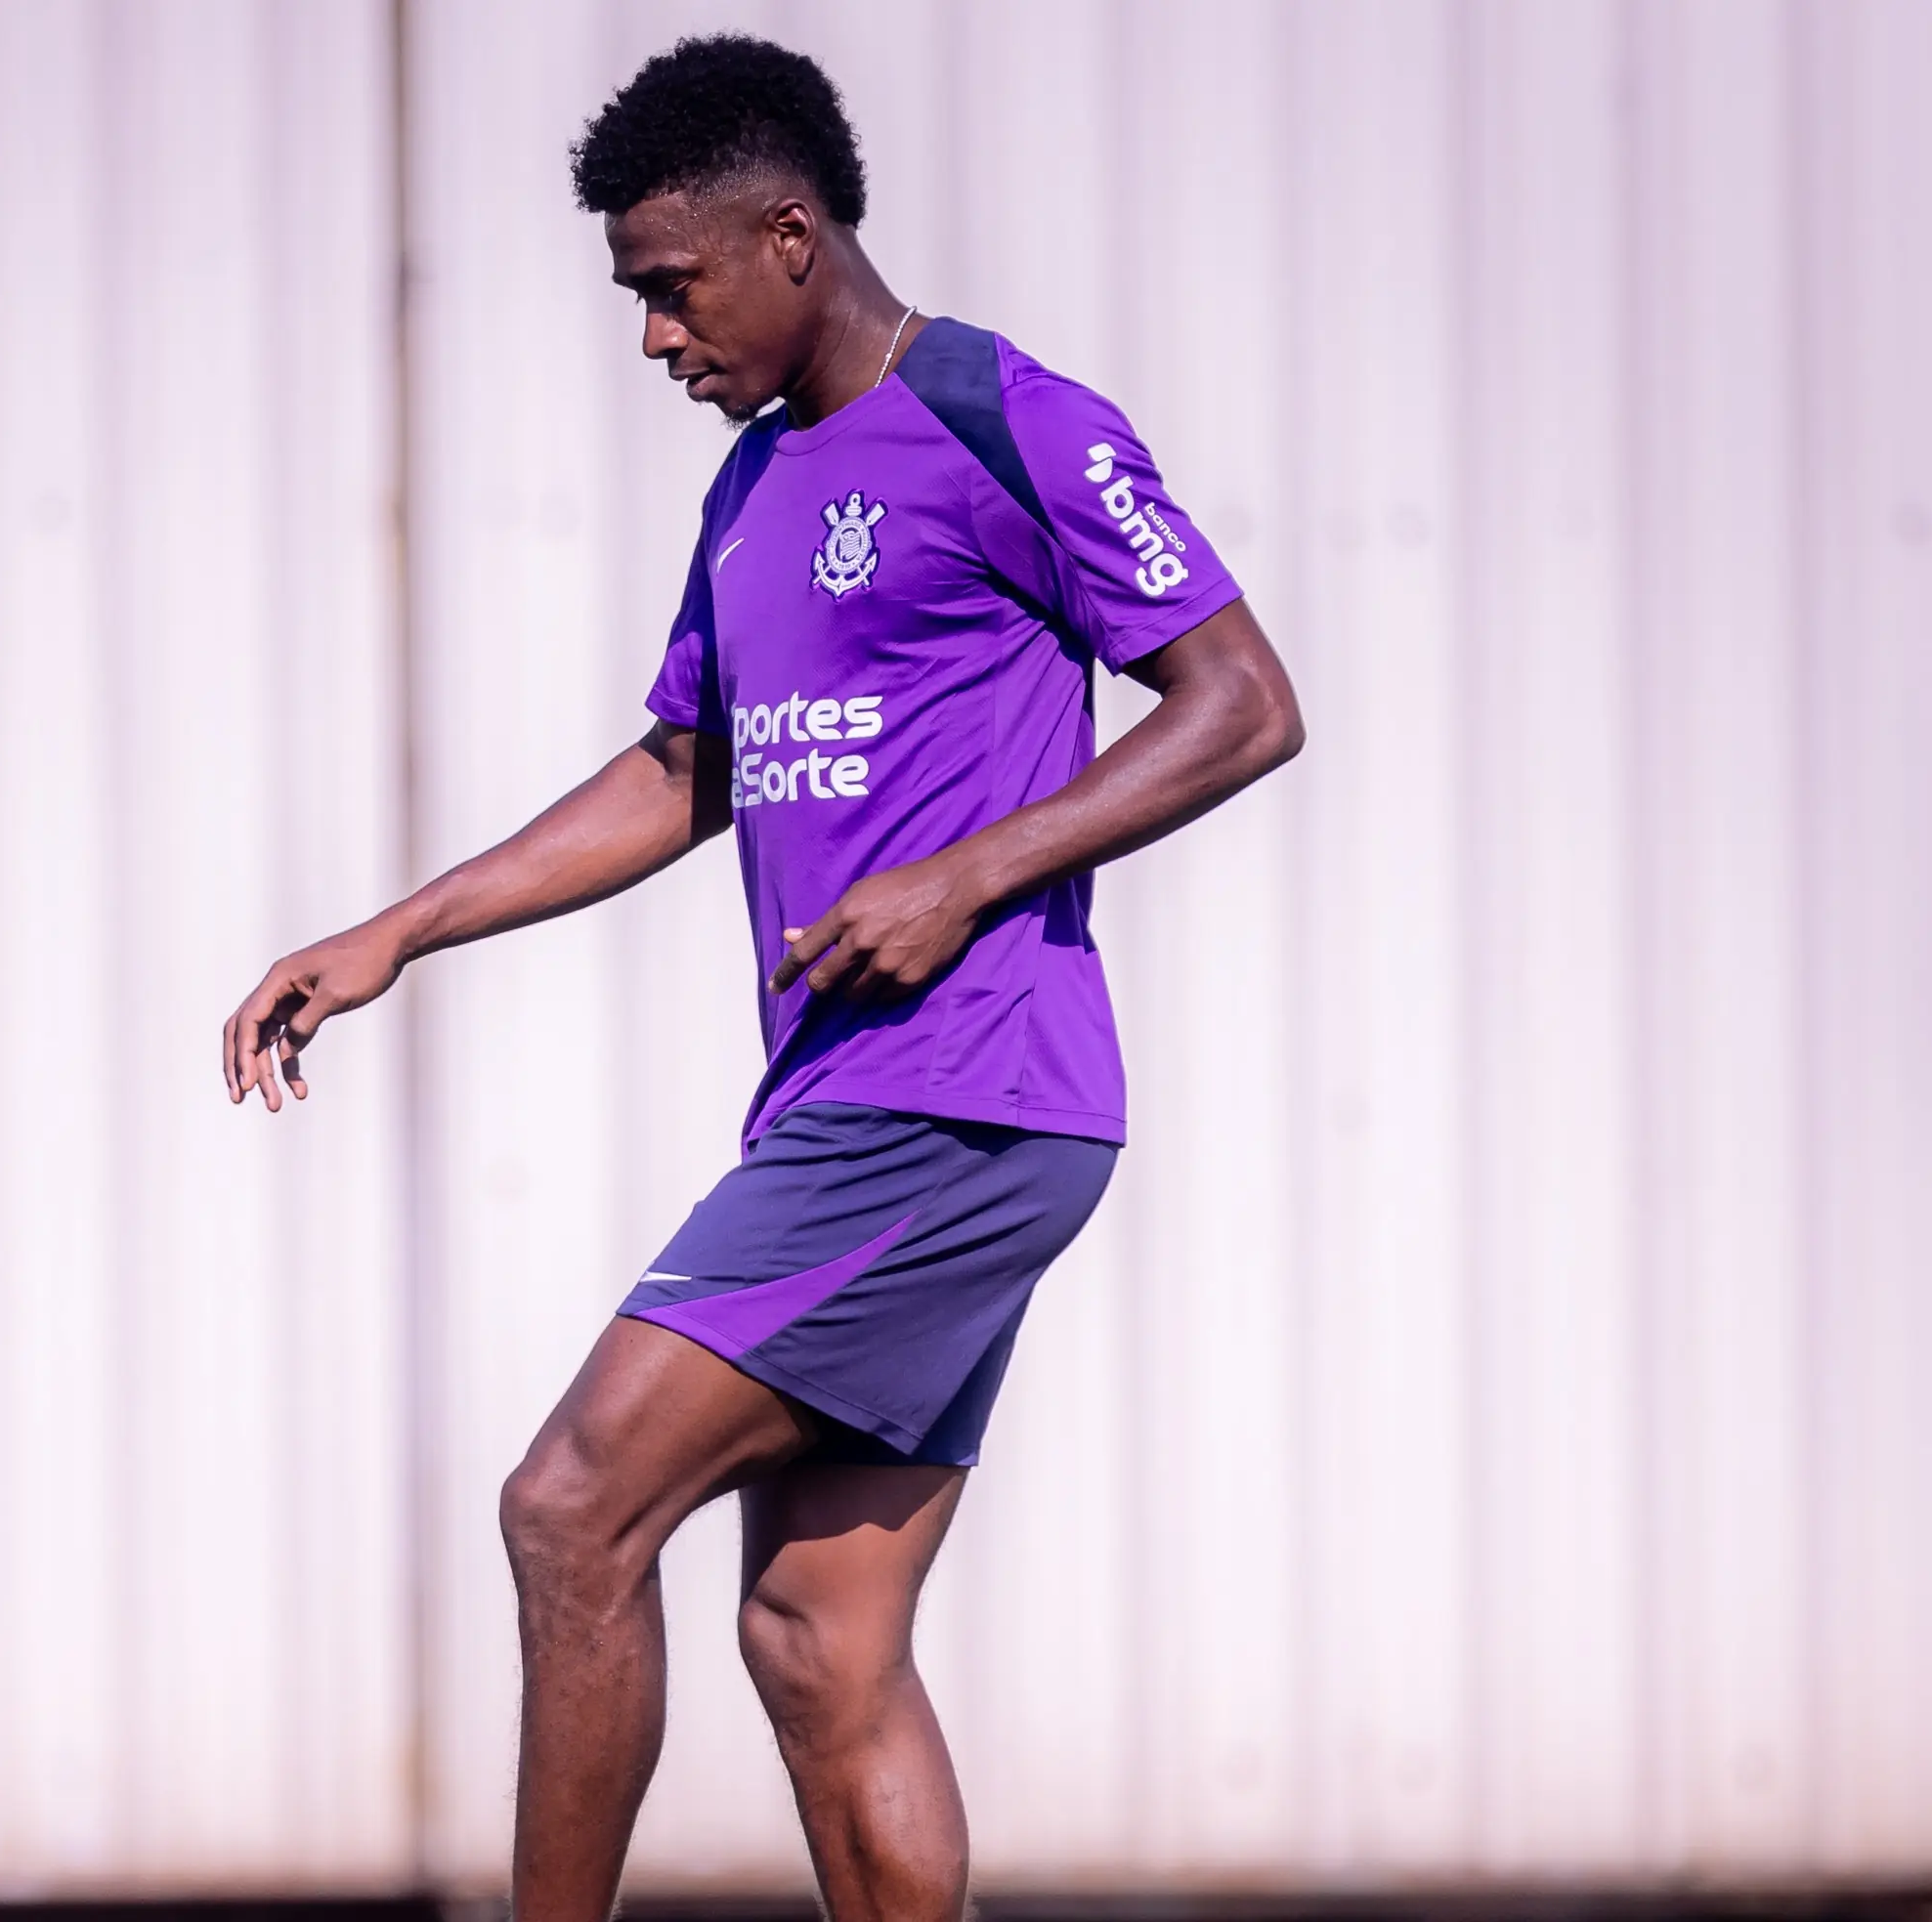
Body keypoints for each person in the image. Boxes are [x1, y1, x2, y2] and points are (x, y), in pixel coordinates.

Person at [223, 33, 1303, 1922]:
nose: (655, 337)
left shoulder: (1008, 418)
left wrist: (969, 872)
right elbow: (683, 772)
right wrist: (400, 927)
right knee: (818, 1636)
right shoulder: (750, 487)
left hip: (958, 1090)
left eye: (672, 286)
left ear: (790, 236)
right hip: (863, 1099)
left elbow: (1243, 703)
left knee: (572, 1503)